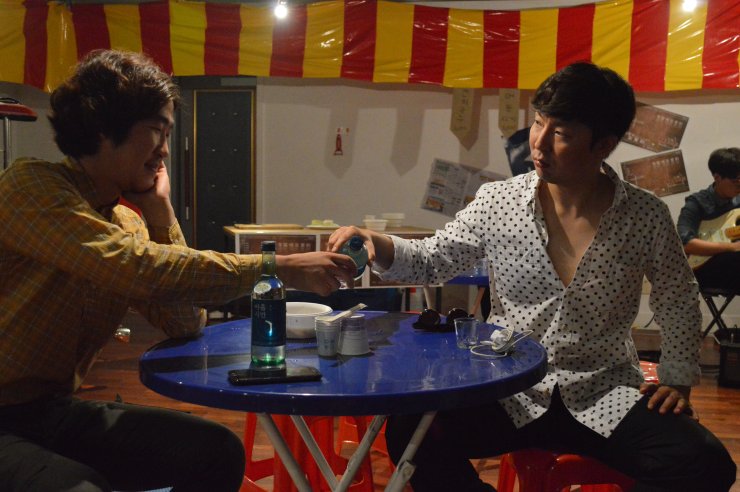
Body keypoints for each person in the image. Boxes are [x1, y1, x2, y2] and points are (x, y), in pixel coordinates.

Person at [328, 63, 736, 491]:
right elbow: (433, 260)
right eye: (539, 123)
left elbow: (677, 298)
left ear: (604, 144)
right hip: (508, 389)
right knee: (409, 430)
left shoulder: (645, 215)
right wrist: (378, 242)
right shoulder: (498, 201)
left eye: (561, 133)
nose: (538, 143)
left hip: (603, 392)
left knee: (705, 463)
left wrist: (677, 378)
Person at [0, 49, 356, 492]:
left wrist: (161, 212)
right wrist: (276, 266)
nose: (165, 151)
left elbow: (185, 320)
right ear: (102, 128)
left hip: (52, 412)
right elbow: (139, 268)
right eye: (157, 131)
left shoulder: (126, 222)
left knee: (215, 451)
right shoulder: (30, 186)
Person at [677, 147, 740, 292]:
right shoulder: (696, 203)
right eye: (736, 181)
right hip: (704, 268)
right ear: (717, 177)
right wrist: (732, 247)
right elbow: (685, 243)